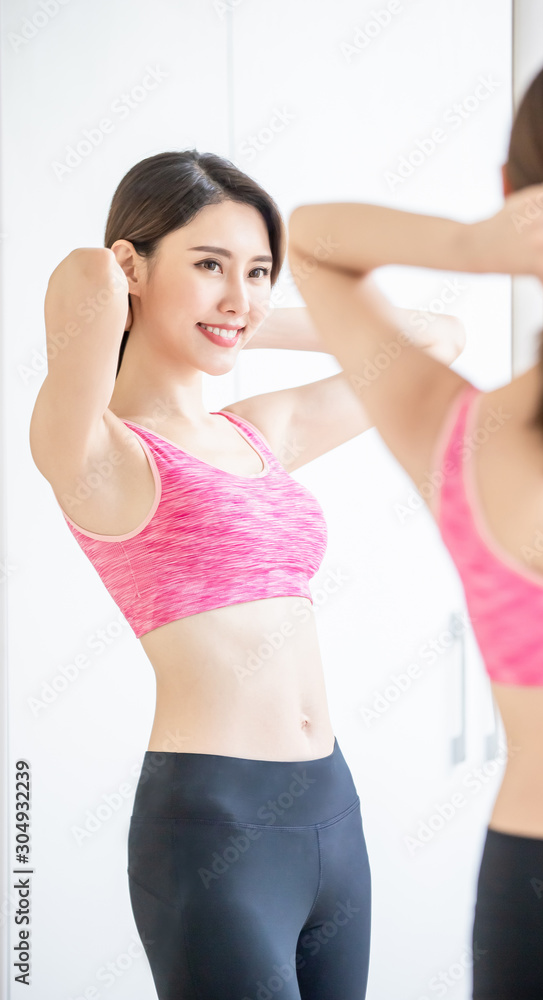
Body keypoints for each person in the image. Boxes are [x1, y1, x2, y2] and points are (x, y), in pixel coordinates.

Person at [28, 149, 464, 1000]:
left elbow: (436, 340)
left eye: (259, 269)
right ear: (132, 267)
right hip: (213, 822)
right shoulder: (96, 451)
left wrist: (237, 313)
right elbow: (79, 275)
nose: (241, 291)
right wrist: (138, 281)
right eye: (208, 263)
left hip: (332, 809)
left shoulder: (260, 432)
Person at [286, 31, 543, 1000]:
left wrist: (466, 246)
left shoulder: (454, 435)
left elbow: (313, 241)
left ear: (512, 189)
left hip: (538, 903)